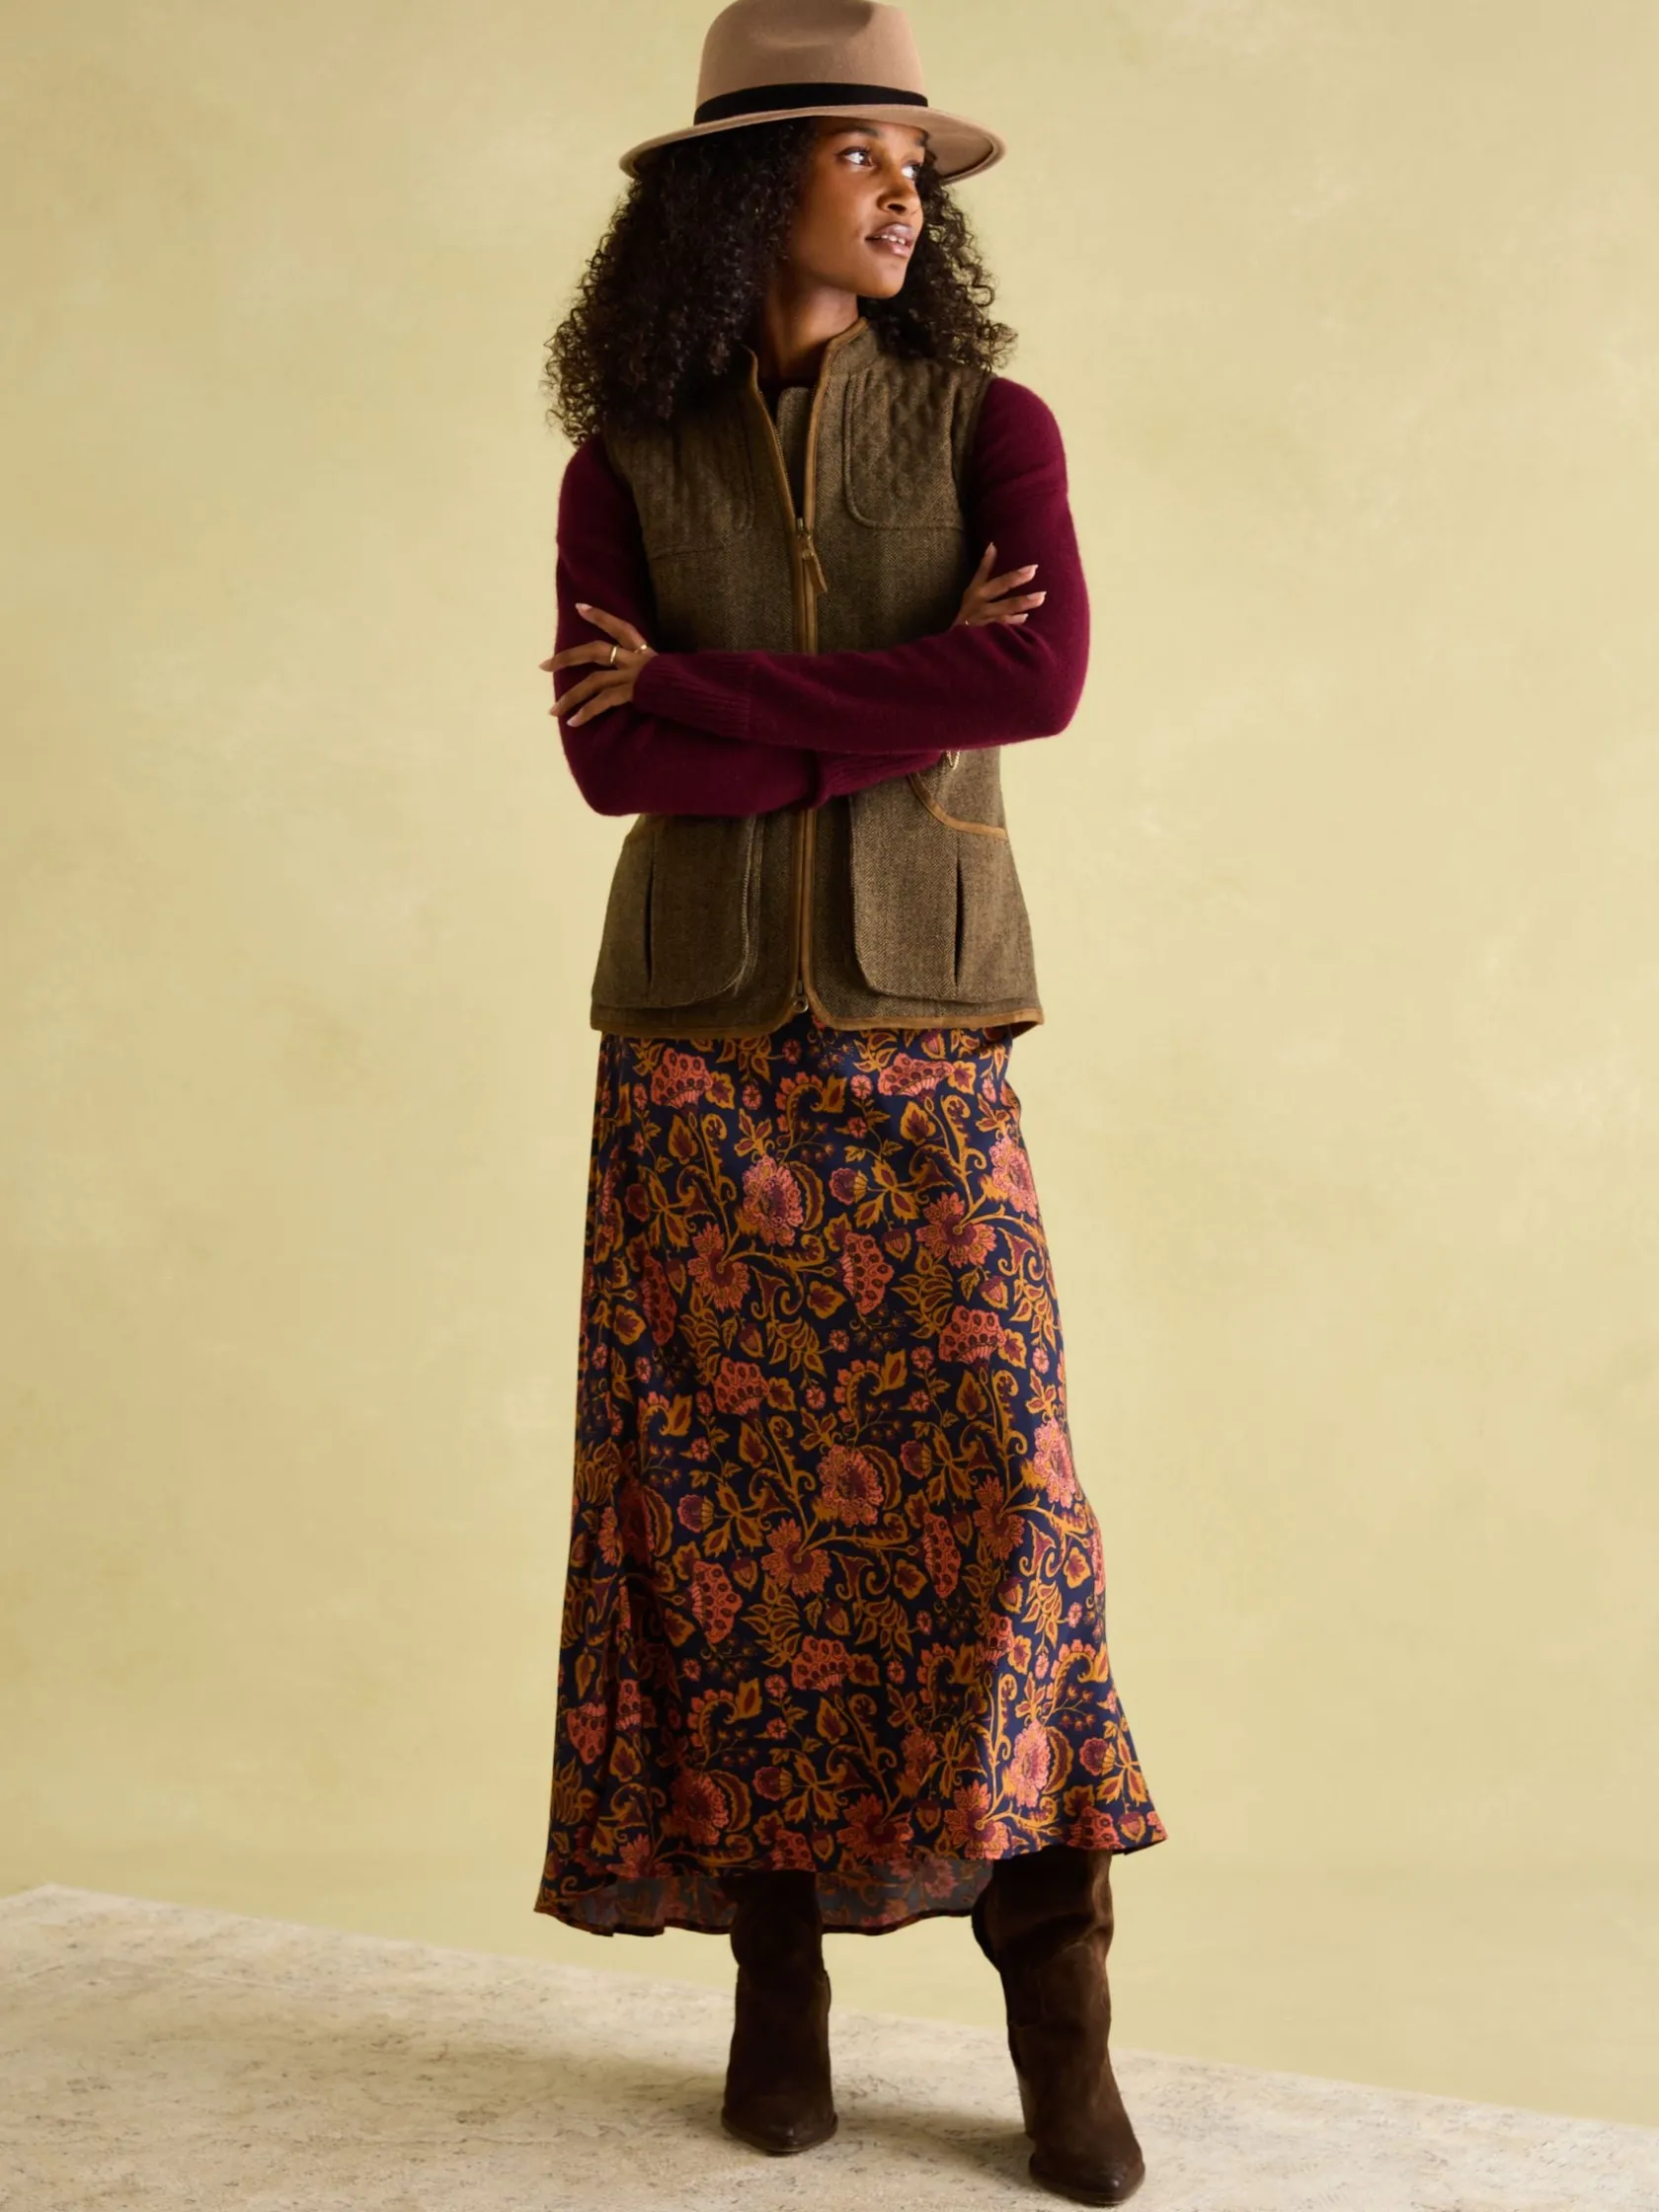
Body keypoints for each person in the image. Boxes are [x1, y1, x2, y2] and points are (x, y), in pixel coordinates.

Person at [533, 3, 1167, 2202]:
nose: (908, 192)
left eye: (918, 166)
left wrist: (713, 692)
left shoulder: (991, 425)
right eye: (863, 156)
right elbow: (609, 759)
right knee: (721, 1533)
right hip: (695, 1055)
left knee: (1005, 1507)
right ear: (752, 185)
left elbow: (1038, 678)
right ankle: (777, 1986)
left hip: (923, 1036)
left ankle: (1058, 2018)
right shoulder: (625, 460)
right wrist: (886, 700)